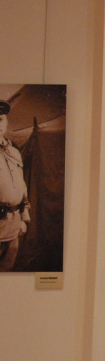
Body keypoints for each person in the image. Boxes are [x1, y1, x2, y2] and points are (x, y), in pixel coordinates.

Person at [0, 100, 31, 272]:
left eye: (1, 119)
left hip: (13, 227)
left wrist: (23, 217)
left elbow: (21, 186)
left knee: (6, 275)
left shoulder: (14, 152)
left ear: (6, 122)